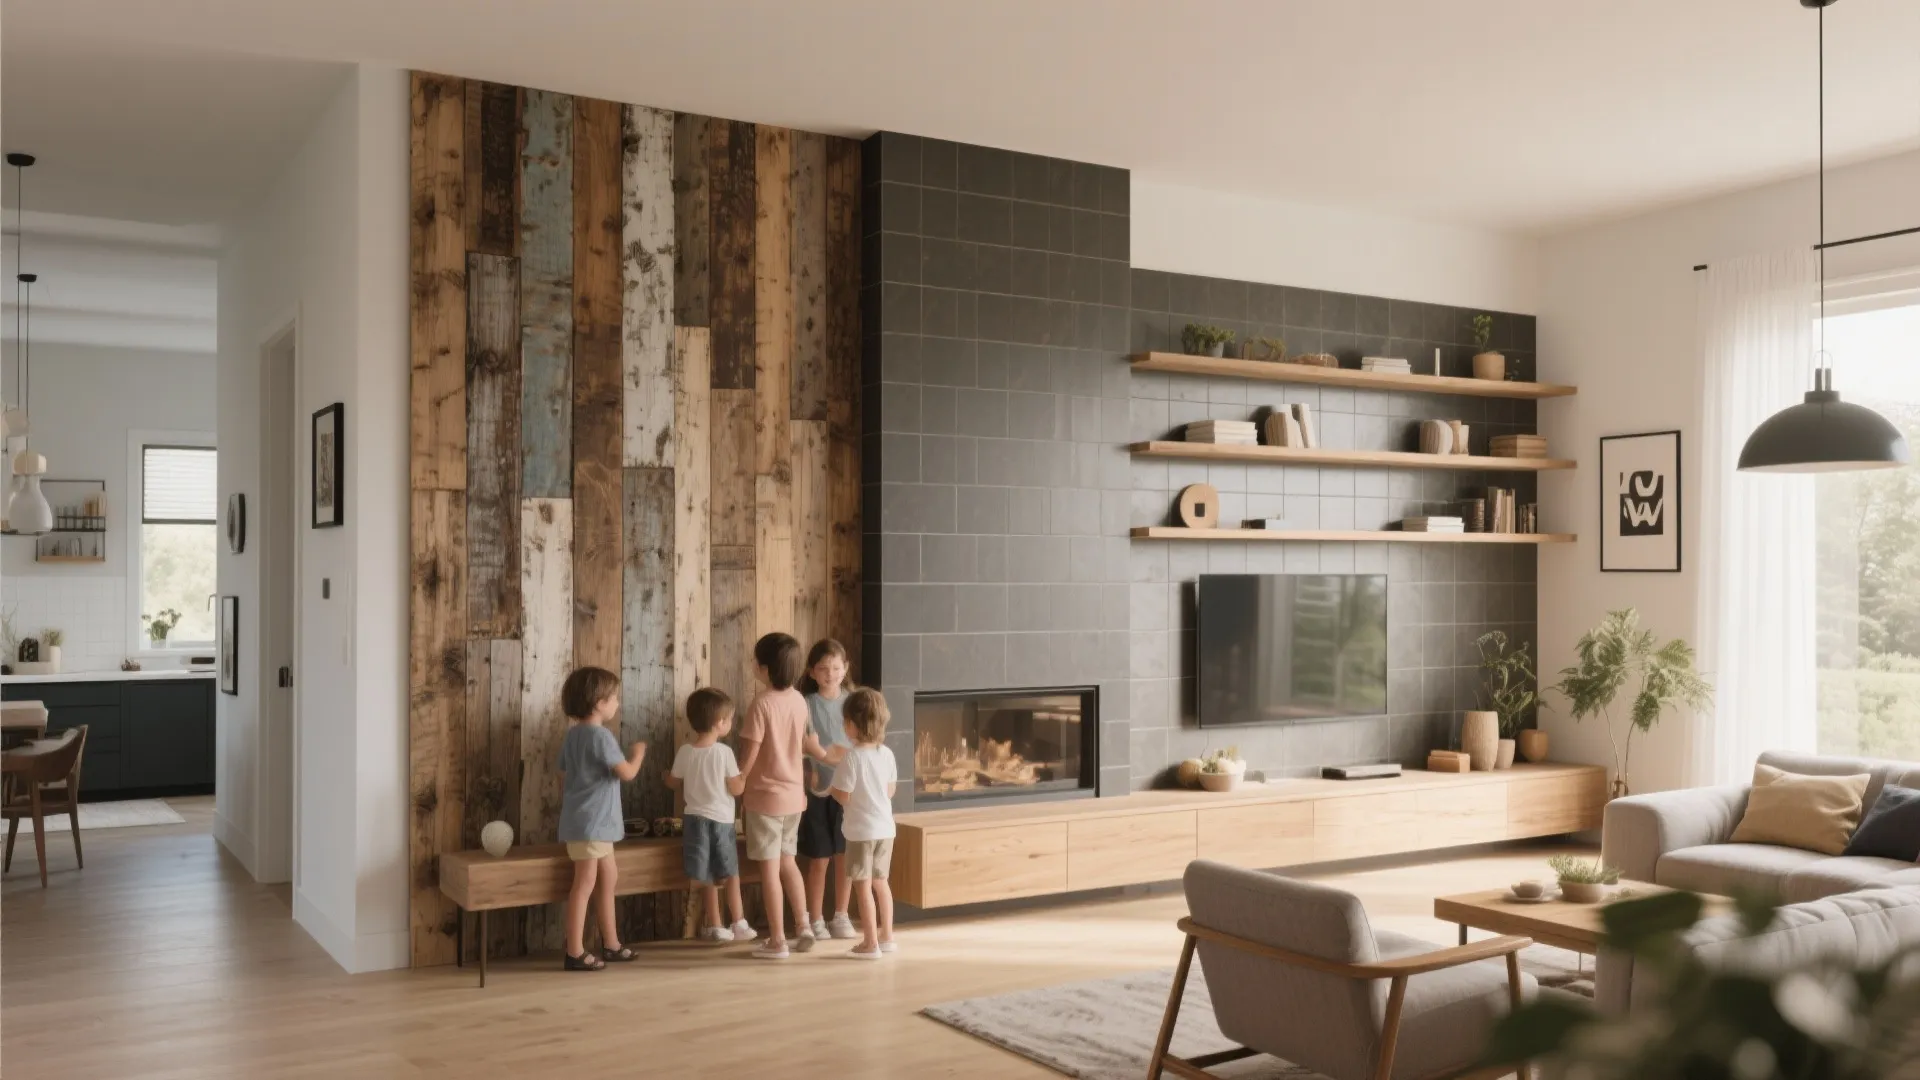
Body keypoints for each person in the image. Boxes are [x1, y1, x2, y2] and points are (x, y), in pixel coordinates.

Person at [556, 666, 646, 971]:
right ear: (598, 703)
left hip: (588, 823)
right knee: (584, 884)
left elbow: (562, 775)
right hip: (593, 826)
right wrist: (639, 752)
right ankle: (575, 952)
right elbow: (628, 773)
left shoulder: (573, 736)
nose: (617, 703)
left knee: (608, 879)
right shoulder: (602, 736)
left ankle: (612, 944)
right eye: (613, 698)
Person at [735, 632, 814, 959]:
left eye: (755, 659)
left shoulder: (761, 704)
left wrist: (738, 779)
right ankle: (804, 925)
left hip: (765, 799)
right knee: (789, 863)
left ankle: (778, 940)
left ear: (764, 668)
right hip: (794, 797)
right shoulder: (799, 700)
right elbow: (802, 745)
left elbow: (750, 751)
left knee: (769, 870)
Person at [665, 687, 754, 943]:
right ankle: (738, 922)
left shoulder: (685, 751)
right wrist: (744, 777)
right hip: (722, 822)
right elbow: (736, 789)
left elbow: (673, 782)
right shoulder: (724, 753)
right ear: (720, 723)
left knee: (705, 875)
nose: (731, 723)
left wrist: (665, 777)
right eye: (730, 719)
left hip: (694, 821)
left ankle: (715, 925)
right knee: (730, 872)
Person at [830, 688, 899, 960]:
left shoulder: (851, 757)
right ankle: (887, 937)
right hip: (886, 829)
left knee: (862, 884)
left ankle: (869, 942)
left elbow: (843, 794)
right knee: (882, 883)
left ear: (852, 725)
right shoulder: (887, 754)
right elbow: (890, 790)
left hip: (860, 832)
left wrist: (829, 790)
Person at [798, 639, 857, 941]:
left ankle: (842, 915)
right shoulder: (806, 704)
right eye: (823, 668)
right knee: (819, 857)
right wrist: (809, 770)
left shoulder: (853, 702)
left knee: (843, 855)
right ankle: (815, 918)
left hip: (848, 792)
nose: (830, 673)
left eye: (836, 667)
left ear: (845, 669)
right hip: (818, 791)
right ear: (811, 672)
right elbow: (802, 746)